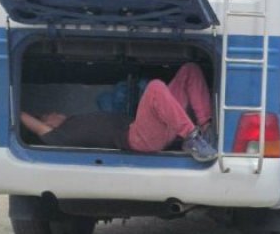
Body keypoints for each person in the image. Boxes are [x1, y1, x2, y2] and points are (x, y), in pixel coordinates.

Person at [20, 62, 217, 162]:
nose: (54, 112)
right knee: (155, 87)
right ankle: (193, 138)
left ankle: (205, 130)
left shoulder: (75, 120)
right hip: (139, 138)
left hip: (154, 129)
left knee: (189, 70)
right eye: (49, 115)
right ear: (49, 125)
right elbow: (30, 122)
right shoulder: (59, 136)